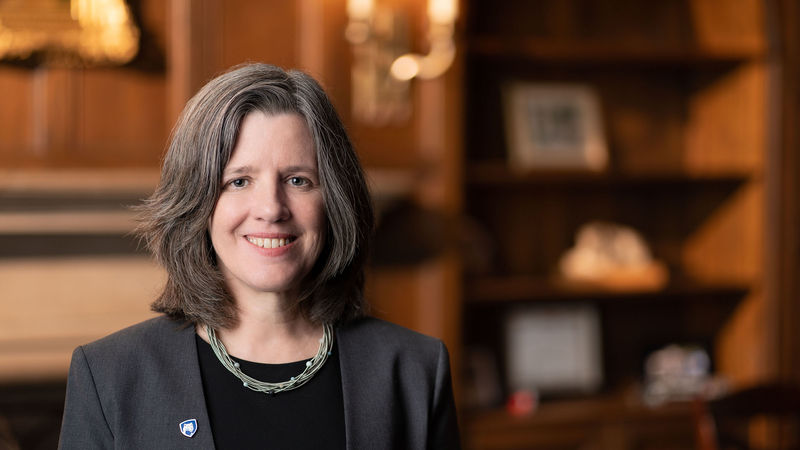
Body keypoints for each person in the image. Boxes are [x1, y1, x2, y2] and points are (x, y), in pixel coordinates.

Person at [58, 63, 460, 449]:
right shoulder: (109, 375)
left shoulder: (415, 368)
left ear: (334, 200)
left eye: (298, 180)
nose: (271, 208)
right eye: (239, 181)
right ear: (197, 202)